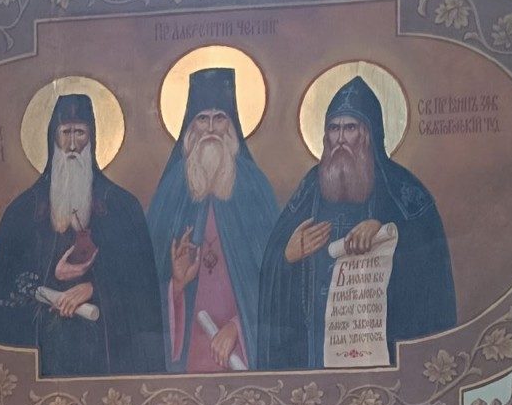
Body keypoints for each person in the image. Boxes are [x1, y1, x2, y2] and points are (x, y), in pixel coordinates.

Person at [257, 76, 457, 370]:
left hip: (379, 346)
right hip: (314, 351)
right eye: (333, 128)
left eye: (350, 128)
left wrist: (386, 232)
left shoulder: (401, 187)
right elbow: (273, 263)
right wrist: (287, 255)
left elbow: (429, 259)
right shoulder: (311, 186)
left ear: (369, 134)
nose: (340, 138)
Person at [0, 94, 164, 377]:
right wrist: (51, 279)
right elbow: (2, 292)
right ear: (53, 138)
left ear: (93, 138)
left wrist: (93, 288)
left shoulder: (121, 206)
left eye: (80, 133)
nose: (73, 144)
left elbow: (142, 288)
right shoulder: (23, 210)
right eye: (66, 133)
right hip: (44, 359)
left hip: (106, 359)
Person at [147, 68, 280, 372]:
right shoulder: (171, 190)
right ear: (190, 127)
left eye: (219, 118)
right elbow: (144, 287)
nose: (210, 128)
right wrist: (176, 285)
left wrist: (238, 327)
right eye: (201, 119)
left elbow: (275, 279)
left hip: (242, 353)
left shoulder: (255, 186)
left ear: (232, 125)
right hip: (187, 358)